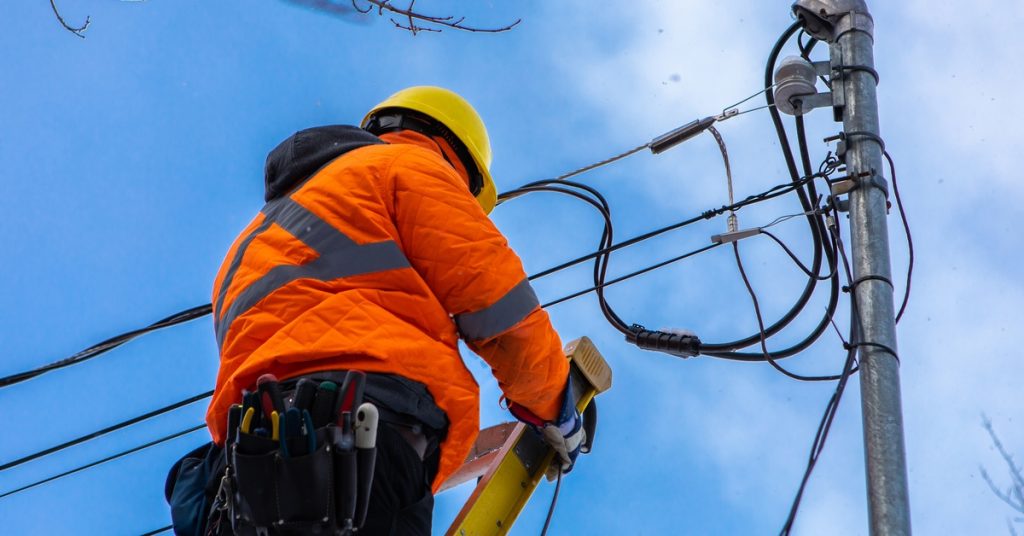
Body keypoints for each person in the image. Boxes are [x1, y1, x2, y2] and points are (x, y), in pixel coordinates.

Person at [206, 86, 583, 534]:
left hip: (245, 466)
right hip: (362, 435)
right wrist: (557, 409)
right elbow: (500, 310)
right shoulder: (409, 167)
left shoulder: (253, 238)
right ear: (455, 157)